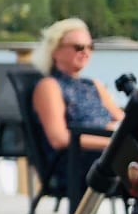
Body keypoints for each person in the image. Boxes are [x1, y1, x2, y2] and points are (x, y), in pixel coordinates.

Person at [30, 19, 122, 152]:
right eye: (79, 47)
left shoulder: (93, 85)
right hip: (79, 158)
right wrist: (111, 143)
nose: (86, 52)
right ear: (55, 50)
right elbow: (59, 139)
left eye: (90, 47)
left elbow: (122, 121)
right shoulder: (49, 86)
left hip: (108, 153)